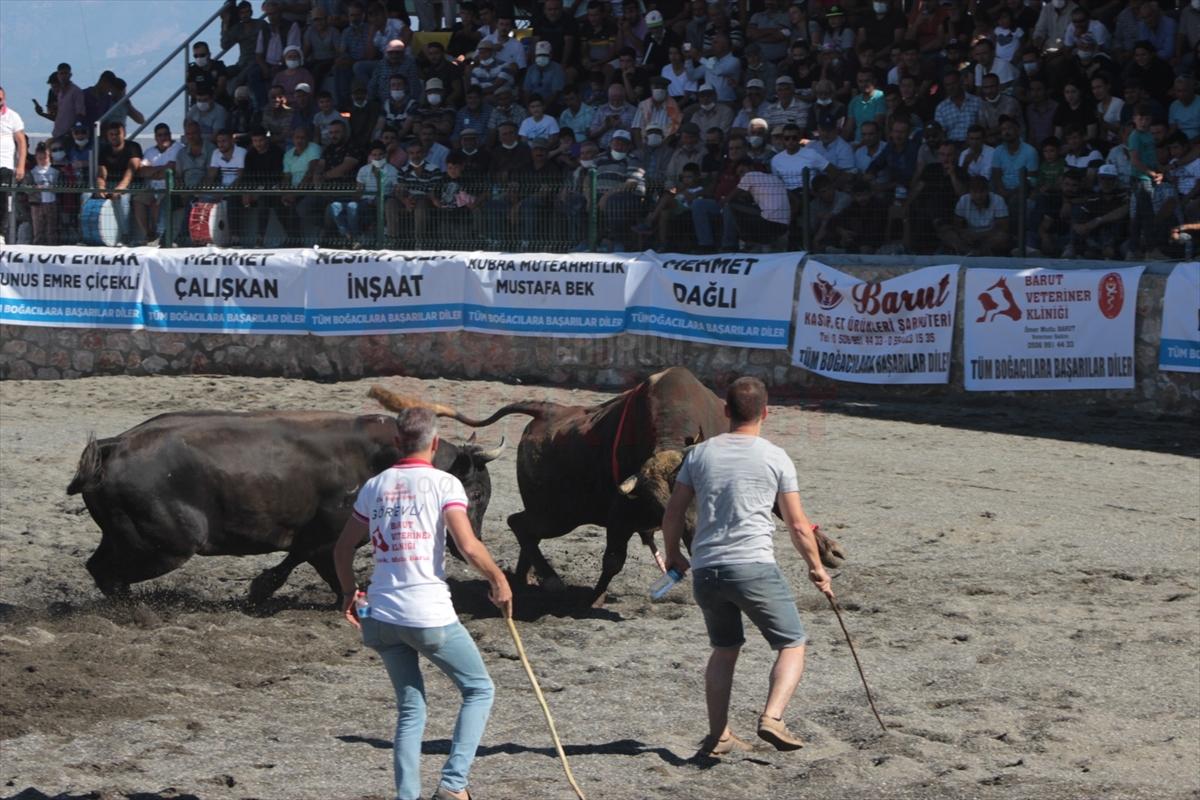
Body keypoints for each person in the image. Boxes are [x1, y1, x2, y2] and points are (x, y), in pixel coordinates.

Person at [333, 406, 512, 800]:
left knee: (411, 709)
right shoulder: (444, 484)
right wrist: (499, 579)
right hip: (427, 615)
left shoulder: (374, 486)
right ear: (434, 443)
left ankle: (408, 796)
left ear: (398, 443)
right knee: (479, 689)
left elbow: (343, 548)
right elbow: (467, 546)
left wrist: (349, 593)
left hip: (378, 617)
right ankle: (453, 784)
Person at [661, 376, 833, 758]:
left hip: (707, 571)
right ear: (766, 413)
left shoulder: (699, 455)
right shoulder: (775, 457)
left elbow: (673, 512)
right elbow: (798, 525)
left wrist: (672, 554)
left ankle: (719, 735)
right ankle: (772, 717)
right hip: (752, 567)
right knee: (792, 643)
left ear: (725, 412)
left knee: (724, 650)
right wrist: (817, 568)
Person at [0, 86, 27, 242]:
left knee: (3, 200)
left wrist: (21, 164)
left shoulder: (12, 116)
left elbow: (21, 141)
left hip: (5, 164)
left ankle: (1, 233)